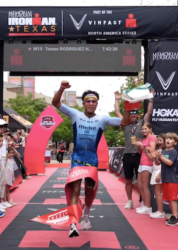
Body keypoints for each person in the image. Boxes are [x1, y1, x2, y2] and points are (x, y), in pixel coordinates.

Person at [51, 80, 130, 237]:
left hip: (92, 159)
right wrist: (61, 88)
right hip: (77, 158)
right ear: (83, 103)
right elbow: (55, 102)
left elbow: (125, 122)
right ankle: (73, 223)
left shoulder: (103, 118)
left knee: (89, 192)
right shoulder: (75, 114)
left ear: (97, 104)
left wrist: (127, 106)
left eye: (94, 101)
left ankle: (86, 212)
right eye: (88, 101)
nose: (91, 104)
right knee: (74, 189)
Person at [114, 90, 154, 210]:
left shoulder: (142, 123)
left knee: (141, 181)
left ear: (138, 115)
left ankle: (143, 201)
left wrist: (151, 99)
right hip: (127, 154)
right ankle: (129, 200)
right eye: (131, 113)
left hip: (140, 155)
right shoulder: (125, 123)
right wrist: (117, 99)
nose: (132, 115)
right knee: (128, 180)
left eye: (135, 113)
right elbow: (117, 113)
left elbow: (149, 112)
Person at [154, 132, 178, 226]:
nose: (168, 140)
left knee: (172, 199)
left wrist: (160, 156)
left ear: (175, 143)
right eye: (167, 139)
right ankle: (173, 216)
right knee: (169, 199)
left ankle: (175, 217)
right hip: (165, 178)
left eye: (171, 139)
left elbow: (169, 163)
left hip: (172, 179)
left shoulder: (174, 152)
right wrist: (155, 158)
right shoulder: (164, 152)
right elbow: (159, 163)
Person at [134, 122, 156, 214]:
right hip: (141, 163)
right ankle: (144, 204)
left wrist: (142, 146)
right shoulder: (144, 138)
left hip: (148, 163)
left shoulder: (152, 137)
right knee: (139, 185)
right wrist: (139, 147)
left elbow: (152, 150)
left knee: (145, 186)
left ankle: (148, 207)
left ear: (150, 129)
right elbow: (141, 152)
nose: (143, 130)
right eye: (142, 129)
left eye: (145, 129)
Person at [150, 133, 166, 219]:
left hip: (159, 172)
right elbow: (156, 161)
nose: (159, 142)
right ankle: (159, 211)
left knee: (158, 193)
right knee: (156, 193)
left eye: (161, 140)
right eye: (158, 140)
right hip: (155, 170)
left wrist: (159, 175)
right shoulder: (158, 150)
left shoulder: (164, 151)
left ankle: (160, 212)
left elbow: (161, 163)